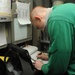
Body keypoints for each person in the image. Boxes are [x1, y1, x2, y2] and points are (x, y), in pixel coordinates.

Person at [30, 3, 75, 75]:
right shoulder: (60, 10)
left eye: (38, 27)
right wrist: (49, 56)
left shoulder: (56, 19)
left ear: (38, 18)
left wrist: (42, 67)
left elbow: (62, 54)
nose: (41, 30)